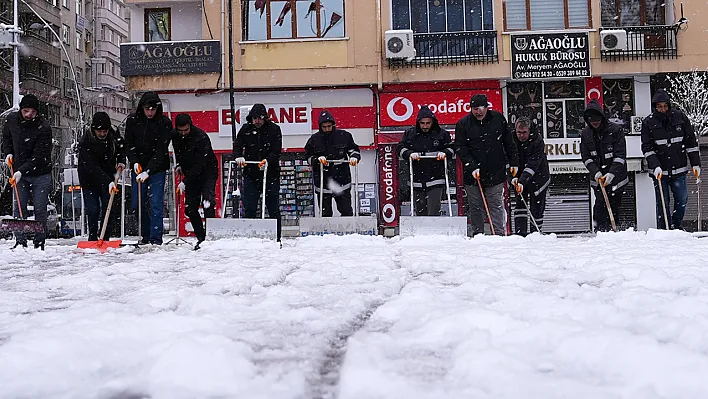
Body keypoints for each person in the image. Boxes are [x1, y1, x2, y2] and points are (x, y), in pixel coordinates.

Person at [455, 94, 518, 236]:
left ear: (487, 107)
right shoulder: (463, 124)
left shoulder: (498, 119)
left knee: (495, 204)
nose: (478, 112)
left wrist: (514, 162)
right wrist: (471, 166)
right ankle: (478, 235)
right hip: (472, 175)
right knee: (475, 206)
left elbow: (509, 143)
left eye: (481, 108)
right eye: (475, 108)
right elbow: (460, 148)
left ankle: (499, 234)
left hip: (496, 171)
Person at [641, 89, 701, 230]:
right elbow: (647, 147)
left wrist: (696, 163)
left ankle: (676, 225)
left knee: (682, 200)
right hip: (660, 171)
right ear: (655, 107)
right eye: (659, 106)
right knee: (663, 202)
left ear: (669, 105)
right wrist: (655, 165)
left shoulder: (680, 117)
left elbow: (690, 142)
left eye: (665, 106)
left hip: (679, 168)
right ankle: (665, 228)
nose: (663, 109)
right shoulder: (648, 122)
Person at [1, 94, 52, 250]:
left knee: (39, 208)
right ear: (21, 110)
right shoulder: (11, 120)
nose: (28, 114)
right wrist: (8, 153)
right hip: (19, 173)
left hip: (40, 173)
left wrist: (21, 171)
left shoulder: (44, 127)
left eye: (32, 112)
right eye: (26, 111)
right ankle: (20, 242)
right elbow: (6, 138)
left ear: (37, 112)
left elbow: (39, 156)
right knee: (19, 208)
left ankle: (39, 243)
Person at [125, 91, 172, 245]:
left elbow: (161, 149)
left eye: (153, 109)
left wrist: (149, 170)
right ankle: (145, 235)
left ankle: (155, 238)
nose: (150, 112)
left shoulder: (164, 123)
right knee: (137, 203)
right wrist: (134, 162)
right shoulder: (132, 121)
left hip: (157, 168)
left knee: (156, 203)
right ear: (142, 108)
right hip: (138, 166)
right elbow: (128, 144)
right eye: (147, 109)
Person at [233, 103, 282, 240]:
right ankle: (250, 237)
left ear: (265, 117)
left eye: (259, 118)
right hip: (251, 174)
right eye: (254, 118)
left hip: (270, 174)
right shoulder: (245, 129)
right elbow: (237, 145)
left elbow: (276, 151)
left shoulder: (274, 130)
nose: (257, 121)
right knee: (250, 208)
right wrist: (238, 156)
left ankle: (277, 238)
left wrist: (268, 160)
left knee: (273, 207)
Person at [581, 99, 628, 232]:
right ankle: (600, 231)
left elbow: (620, 156)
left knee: (614, 204)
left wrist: (611, 173)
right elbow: (586, 157)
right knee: (600, 204)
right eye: (591, 120)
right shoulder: (585, 134)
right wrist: (596, 172)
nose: (595, 122)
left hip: (617, 178)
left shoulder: (616, 131)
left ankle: (614, 229)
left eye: (597, 119)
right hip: (598, 178)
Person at [397, 106, 454, 216]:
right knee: (420, 212)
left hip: (436, 178)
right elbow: (400, 148)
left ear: (433, 122)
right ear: (418, 122)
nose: (425, 126)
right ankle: (420, 232)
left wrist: (445, 153)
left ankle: (435, 231)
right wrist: (409, 154)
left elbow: (453, 148)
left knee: (434, 211)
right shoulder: (410, 134)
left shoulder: (442, 134)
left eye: (428, 123)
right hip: (417, 179)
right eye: (422, 123)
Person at [77, 111, 126, 241]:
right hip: (89, 179)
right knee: (93, 209)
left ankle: (105, 238)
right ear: (94, 129)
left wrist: (121, 161)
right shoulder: (85, 142)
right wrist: (107, 181)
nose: (102, 134)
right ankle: (92, 237)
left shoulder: (113, 135)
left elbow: (121, 148)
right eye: (100, 131)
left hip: (109, 175)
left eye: (105, 131)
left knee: (109, 208)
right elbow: (91, 167)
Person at [172, 113, 218, 249]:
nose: (183, 133)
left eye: (186, 130)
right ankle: (201, 238)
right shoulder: (175, 136)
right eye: (180, 131)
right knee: (190, 208)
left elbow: (200, 164)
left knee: (207, 202)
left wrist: (184, 182)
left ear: (190, 126)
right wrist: (179, 164)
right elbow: (178, 152)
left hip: (207, 171)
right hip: (190, 173)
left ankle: (211, 238)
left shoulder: (201, 137)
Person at [304, 110, 361, 217]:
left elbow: (353, 149)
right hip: (323, 180)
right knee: (325, 213)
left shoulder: (344, 136)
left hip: (341, 179)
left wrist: (354, 157)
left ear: (333, 125)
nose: (326, 129)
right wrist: (317, 160)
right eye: (324, 127)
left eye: (329, 126)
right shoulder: (314, 140)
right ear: (320, 127)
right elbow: (308, 156)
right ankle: (326, 233)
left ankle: (349, 232)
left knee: (346, 210)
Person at [510, 117, 550, 236]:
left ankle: (535, 234)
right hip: (518, 178)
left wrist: (522, 181)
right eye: (519, 132)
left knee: (537, 207)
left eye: (524, 132)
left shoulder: (537, 140)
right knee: (520, 205)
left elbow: (533, 164)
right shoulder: (510, 140)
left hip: (539, 177)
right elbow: (507, 160)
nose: (521, 136)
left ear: (529, 130)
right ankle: (520, 234)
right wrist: (513, 178)